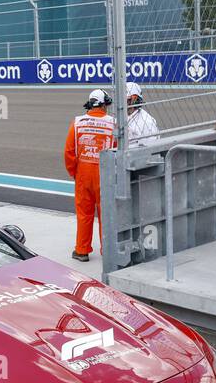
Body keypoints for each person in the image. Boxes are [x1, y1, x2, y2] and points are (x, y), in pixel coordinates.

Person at [64, 88, 116, 262]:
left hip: (83, 173)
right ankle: (108, 250)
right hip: (105, 172)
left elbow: (69, 152)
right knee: (106, 214)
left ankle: (82, 250)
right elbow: (118, 149)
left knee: (84, 214)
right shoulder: (113, 123)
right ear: (104, 105)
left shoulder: (77, 122)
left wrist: (75, 173)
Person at [125, 82, 159, 147]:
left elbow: (151, 148)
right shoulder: (122, 116)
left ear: (134, 99)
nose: (122, 103)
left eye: (127, 100)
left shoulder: (146, 122)